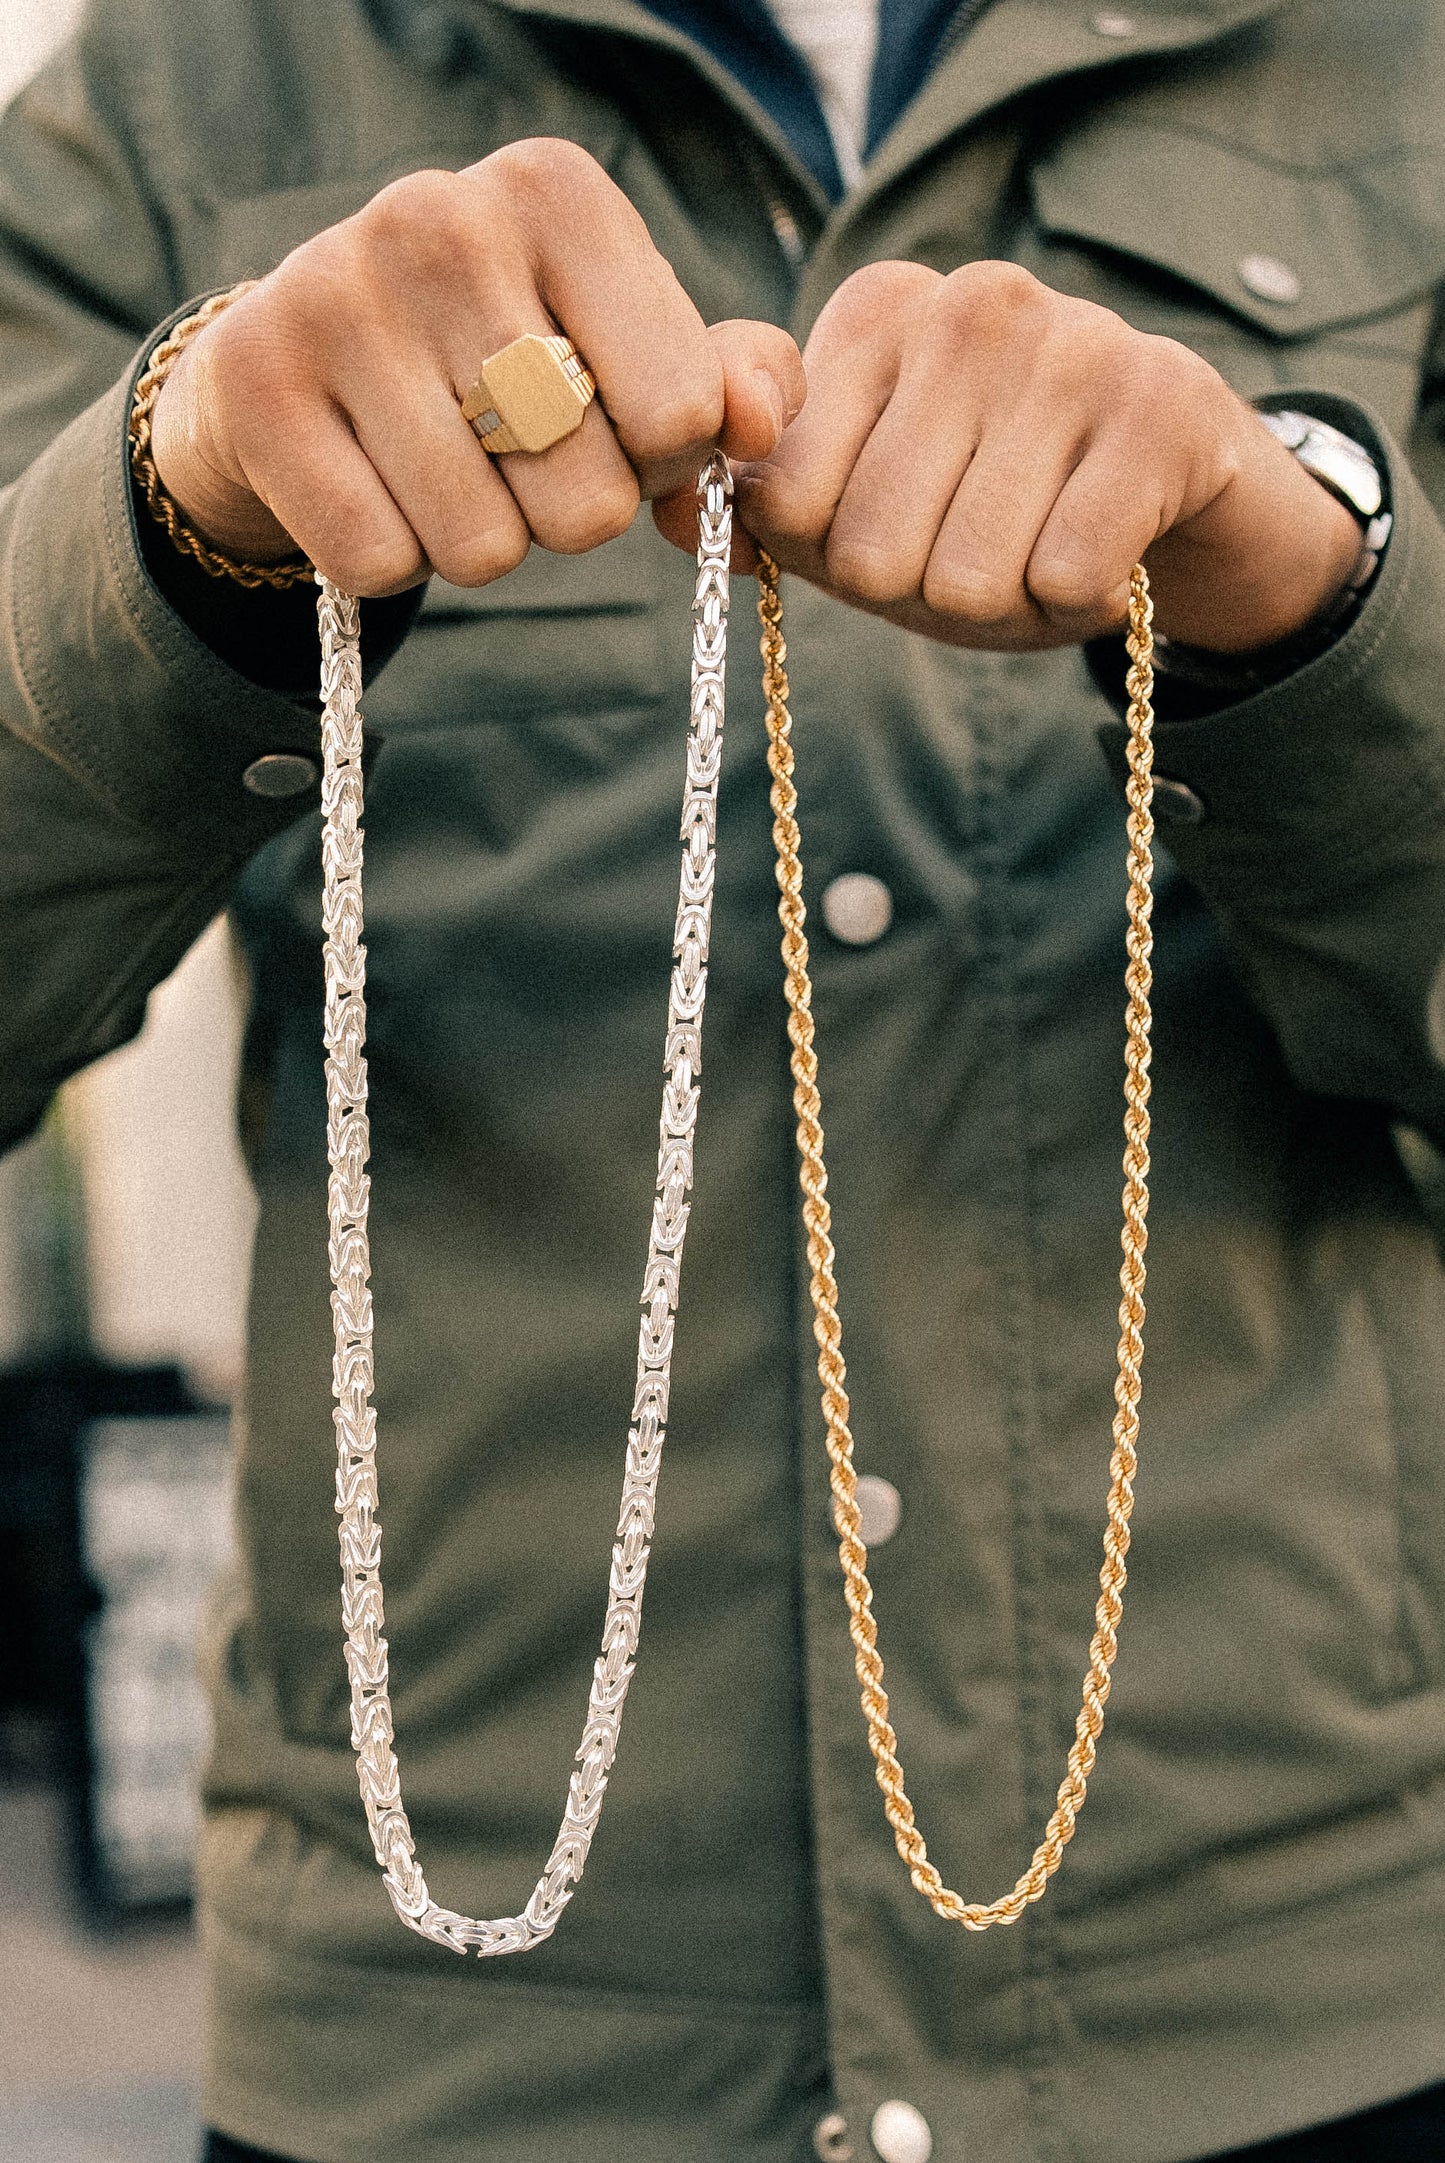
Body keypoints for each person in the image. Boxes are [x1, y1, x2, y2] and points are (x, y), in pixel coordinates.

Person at [2, 1, 1444, 2157]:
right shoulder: (179, 95)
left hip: (1302, 2002)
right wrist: (170, 515)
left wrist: (1309, 581)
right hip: (475, 2054)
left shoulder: (1395, 65)